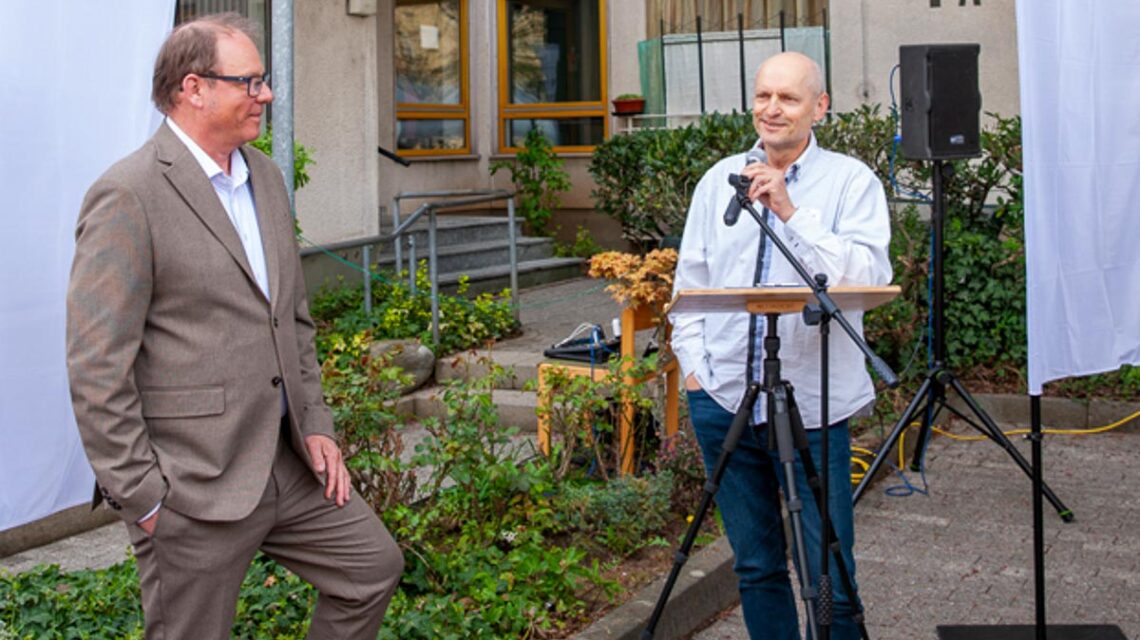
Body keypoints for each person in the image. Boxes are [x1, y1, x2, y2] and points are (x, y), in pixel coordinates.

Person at [65, 13, 403, 639]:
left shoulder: (266, 177)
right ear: (194, 89)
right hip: (192, 484)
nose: (265, 95)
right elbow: (96, 367)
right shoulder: (128, 194)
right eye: (249, 82)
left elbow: (292, 320)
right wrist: (144, 498)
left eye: (264, 81)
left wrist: (318, 428)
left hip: (288, 465)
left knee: (371, 569)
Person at [669, 52, 892, 639]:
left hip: (814, 407)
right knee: (756, 568)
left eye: (788, 98)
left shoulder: (850, 182)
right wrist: (694, 374)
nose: (771, 109)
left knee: (829, 576)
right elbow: (688, 286)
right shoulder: (719, 178)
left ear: (819, 107)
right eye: (763, 96)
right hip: (723, 401)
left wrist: (790, 211)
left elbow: (865, 278)